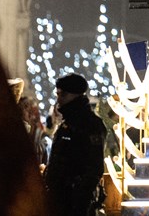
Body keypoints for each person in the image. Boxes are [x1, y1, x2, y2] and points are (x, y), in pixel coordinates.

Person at [44, 73, 106, 216]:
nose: (59, 99)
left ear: (77, 95)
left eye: (63, 94)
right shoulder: (67, 123)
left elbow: (94, 167)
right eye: (58, 94)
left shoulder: (90, 124)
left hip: (75, 201)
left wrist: (80, 196)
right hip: (59, 198)